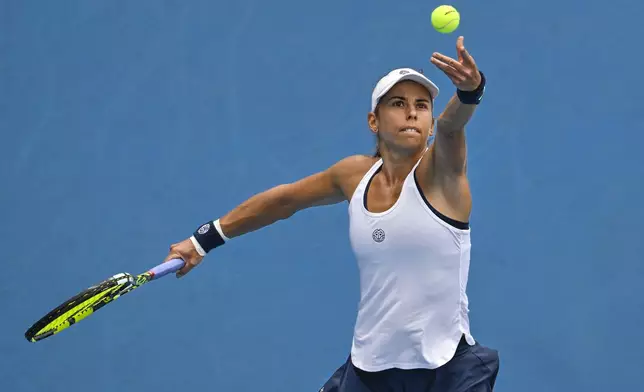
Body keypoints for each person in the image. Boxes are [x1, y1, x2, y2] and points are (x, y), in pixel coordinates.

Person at [164, 36, 500, 392]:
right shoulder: (353, 176)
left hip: (446, 371)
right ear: (374, 120)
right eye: (398, 103)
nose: (412, 112)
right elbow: (284, 201)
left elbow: (452, 127)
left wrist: (470, 91)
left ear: (431, 124)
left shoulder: (442, 174)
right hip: (370, 368)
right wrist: (203, 240)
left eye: (422, 105)